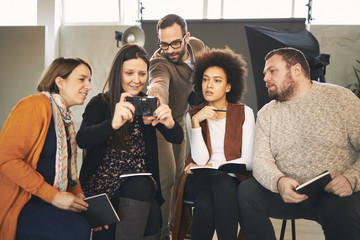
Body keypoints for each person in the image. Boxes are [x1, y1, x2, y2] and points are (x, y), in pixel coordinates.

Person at [237, 47, 360, 240]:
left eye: (272, 71)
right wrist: (280, 182)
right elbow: (260, 160)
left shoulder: (342, 100)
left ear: (296, 70)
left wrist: (351, 179)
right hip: (288, 193)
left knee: (344, 209)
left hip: (334, 193)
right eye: (265, 73)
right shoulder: (267, 114)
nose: (265, 78)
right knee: (246, 193)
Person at [77, 43, 184, 240]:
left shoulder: (147, 104)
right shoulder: (101, 103)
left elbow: (176, 137)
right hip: (103, 186)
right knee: (150, 205)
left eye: (142, 74)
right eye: (129, 73)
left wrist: (169, 122)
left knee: (143, 188)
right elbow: (82, 139)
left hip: (139, 187)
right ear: (119, 73)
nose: (137, 80)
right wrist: (113, 124)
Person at [0, 57, 94, 240]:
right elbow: (7, 159)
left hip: (49, 196)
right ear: (60, 82)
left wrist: (78, 195)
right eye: (82, 79)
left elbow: (69, 173)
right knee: (77, 229)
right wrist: (54, 196)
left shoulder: (65, 119)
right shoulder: (34, 105)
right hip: (23, 201)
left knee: (103, 217)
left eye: (89, 81)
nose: (88, 86)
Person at [172, 48, 255, 240]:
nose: (209, 85)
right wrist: (195, 124)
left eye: (217, 80)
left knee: (205, 202)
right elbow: (200, 159)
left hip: (232, 179)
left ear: (228, 86)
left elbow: (248, 161)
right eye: (205, 79)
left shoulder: (245, 113)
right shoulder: (192, 115)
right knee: (220, 181)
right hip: (199, 179)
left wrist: (212, 166)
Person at [147, 14, 206, 239]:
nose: (170, 49)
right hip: (161, 123)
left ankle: (177, 228)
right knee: (167, 179)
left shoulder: (198, 46)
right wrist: (157, 101)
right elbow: (158, 84)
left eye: (175, 43)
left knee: (181, 178)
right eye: (163, 44)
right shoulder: (159, 61)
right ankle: (162, 234)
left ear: (187, 37)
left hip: (180, 120)